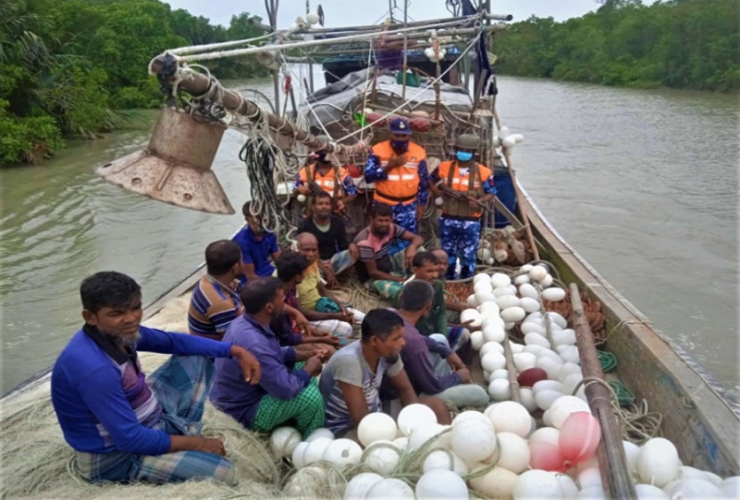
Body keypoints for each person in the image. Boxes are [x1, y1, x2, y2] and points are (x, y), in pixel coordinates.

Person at [51, 271, 261, 486]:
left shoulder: (119, 334)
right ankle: (169, 442)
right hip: (116, 457)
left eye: (136, 308)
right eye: (117, 313)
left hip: (144, 417)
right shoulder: (95, 369)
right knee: (223, 471)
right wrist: (198, 443)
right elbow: (130, 439)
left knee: (197, 357)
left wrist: (233, 350)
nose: (131, 319)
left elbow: (173, 342)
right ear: (90, 317)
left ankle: (170, 433)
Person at [210, 277, 325, 438]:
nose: (285, 301)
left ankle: (297, 420)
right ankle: (312, 441)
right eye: (282, 298)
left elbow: (275, 353)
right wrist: (310, 368)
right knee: (311, 398)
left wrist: (308, 355)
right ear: (269, 307)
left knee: (302, 372)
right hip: (243, 409)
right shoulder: (254, 343)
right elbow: (286, 389)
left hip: (245, 391)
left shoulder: (247, 321)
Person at [319, 309, 450, 439]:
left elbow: (405, 389)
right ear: (374, 341)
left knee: (437, 406)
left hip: (377, 412)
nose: (402, 343)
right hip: (347, 427)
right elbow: (362, 422)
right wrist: (391, 433)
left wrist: (413, 419)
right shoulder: (349, 361)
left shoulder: (389, 354)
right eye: (396, 338)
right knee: (377, 444)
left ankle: (446, 445)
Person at [392, 280, 489, 408]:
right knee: (480, 394)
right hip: (409, 396)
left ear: (401, 298)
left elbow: (422, 338)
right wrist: (458, 377)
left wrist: (448, 351)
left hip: (400, 380)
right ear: (428, 306)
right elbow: (432, 386)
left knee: (439, 339)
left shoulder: (391, 313)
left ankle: (448, 379)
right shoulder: (415, 345)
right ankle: (449, 385)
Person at [430, 134, 496, 280]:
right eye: (461, 149)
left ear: (474, 153)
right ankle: (448, 279)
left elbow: (491, 192)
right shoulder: (443, 167)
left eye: (468, 150)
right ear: (456, 149)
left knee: (468, 253)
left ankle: (466, 280)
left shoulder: (484, 172)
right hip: (448, 218)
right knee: (447, 252)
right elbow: (430, 180)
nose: (463, 153)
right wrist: (435, 191)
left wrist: (480, 201)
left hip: (471, 220)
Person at [364, 117, 429, 235]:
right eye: (397, 135)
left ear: (409, 136)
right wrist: (389, 166)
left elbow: (423, 181)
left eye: (404, 136)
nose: (401, 139)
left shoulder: (419, 151)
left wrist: (421, 204)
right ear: (390, 134)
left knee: (408, 241)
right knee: (382, 239)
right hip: (383, 205)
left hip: (408, 206)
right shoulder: (377, 150)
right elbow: (368, 177)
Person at [275, 251, 354, 345]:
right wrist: (321, 339)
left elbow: (297, 314)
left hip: (298, 330)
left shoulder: (291, 289)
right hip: (289, 340)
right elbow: (288, 339)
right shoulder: (278, 303)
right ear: (297, 277)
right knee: (337, 343)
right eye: (304, 272)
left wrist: (318, 334)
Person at [354, 203, 423, 300]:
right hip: (373, 278)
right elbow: (373, 273)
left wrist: (412, 247)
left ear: (391, 219)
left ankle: (423, 279)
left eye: (387, 220)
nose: (384, 224)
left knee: (420, 250)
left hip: (388, 263)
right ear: (371, 220)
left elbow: (417, 238)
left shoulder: (391, 228)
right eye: (380, 220)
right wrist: (402, 280)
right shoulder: (365, 242)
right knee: (401, 292)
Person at [405, 251, 470, 352]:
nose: (435, 275)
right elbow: (406, 326)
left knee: (464, 333)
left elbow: (441, 313)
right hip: (416, 338)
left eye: (436, 271)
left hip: (434, 332)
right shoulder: (407, 292)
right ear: (415, 270)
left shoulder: (437, 285)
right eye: (429, 271)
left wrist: (442, 337)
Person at [296, 232, 365, 327]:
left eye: (314, 250)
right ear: (296, 249)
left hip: (321, 306)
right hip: (308, 317)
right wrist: (336, 316)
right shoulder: (290, 273)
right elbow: (300, 310)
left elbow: (322, 290)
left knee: (362, 318)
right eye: (306, 250)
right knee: (347, 329)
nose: (311, 254)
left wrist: (340, 306)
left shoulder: (312, 265)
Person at [297, 190, 359, 287]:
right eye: (320, 204)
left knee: (354, 252)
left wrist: (351, 245)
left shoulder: (337, 222)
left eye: (327, 204)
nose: (324, 207)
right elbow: (301, 252)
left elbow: (343, 246)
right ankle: (326, 278)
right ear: (313, 207)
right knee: (307, 266)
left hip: (332, 261)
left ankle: (334, 277)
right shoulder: (305, 225)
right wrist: (324, 268)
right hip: (313, 262)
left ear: (331, 206)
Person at [188, 240, 244, 340]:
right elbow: (237, 340)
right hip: (213, 351)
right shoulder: (221, 303)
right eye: (241, 260)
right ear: (235, 268)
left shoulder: (208, 281)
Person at [294, 136, 357, 212]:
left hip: (334, 212)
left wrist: (342, 202)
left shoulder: (341, 172)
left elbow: (353, 193)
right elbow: (295, 185)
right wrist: (300, 188)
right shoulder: (305, 171)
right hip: (312, 214)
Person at [233, 201, 281, 284]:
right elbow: (250, 277)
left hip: (270, 272)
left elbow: (280, 261)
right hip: (253, 283)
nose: (262, 221)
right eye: (257, 217)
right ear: (247, 219)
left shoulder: (269, 234)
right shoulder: (242, 242)